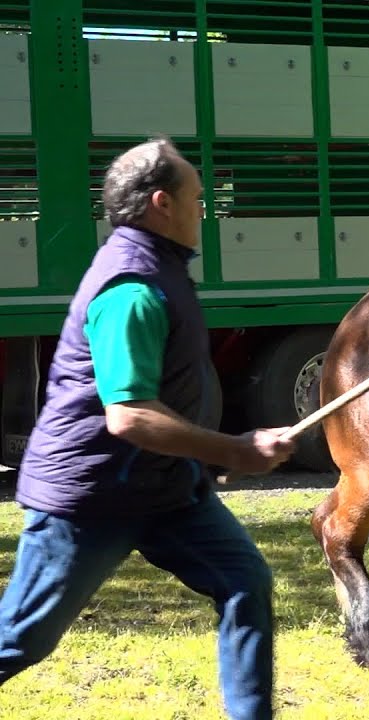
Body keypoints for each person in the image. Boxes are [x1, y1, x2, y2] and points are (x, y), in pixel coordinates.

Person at [0, 138, 295, 719]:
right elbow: (129, 414)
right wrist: (235, 447)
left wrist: (212, 455)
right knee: (21, 639)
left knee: (244, 582)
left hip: (164, 490)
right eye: (197, 199)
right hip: (90, 496)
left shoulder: (163, 268)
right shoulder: (132, 288)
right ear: (162, 202)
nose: (203, 210)